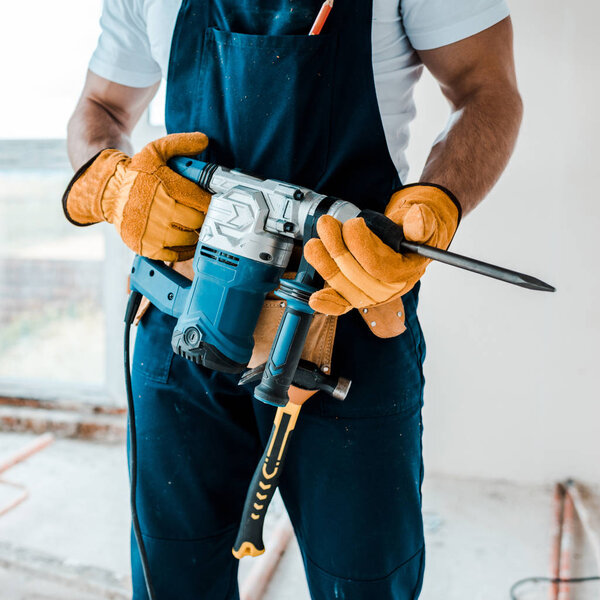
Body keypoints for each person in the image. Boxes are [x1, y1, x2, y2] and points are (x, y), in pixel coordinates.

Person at [63, 0, 523, 598]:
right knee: (171, 577)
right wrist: (109, 179)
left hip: (346, 320)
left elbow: (487, 89)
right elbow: (100, 107)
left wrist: (437, 201)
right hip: (183, 314)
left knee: (365, 583)